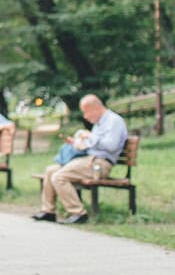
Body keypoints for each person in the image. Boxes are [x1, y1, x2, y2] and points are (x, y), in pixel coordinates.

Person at [32, 93, 128, 224]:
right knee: (50, 171)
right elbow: (92, 144)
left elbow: (112, 146)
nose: (85, 116)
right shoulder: (99, 123)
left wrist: (90, 136)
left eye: (86, 112)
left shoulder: (114, 121)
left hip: (99, 164)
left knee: (59, 177)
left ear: (95, 108)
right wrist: (77, 143)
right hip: (88, 161)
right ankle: (48, 211)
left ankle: (78, 213)